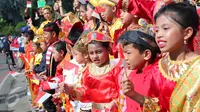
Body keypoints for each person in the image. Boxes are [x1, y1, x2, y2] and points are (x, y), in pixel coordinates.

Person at [121, 3, 200, 112]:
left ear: (187, 33)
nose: (159, 35)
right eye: (157, 30)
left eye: (165, 28)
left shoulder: (197, 68)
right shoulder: (159, 67)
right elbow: (157, 106)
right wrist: (133, 94)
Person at [66, 31, 123, 111]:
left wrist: (115, 102)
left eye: (99, 52)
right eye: (91, 53)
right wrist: (73, 92)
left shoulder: (116, 69)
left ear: (108, 50)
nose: (95, 56)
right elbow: (85, 90)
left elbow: (122, 92)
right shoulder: (87, 70)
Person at [119, 30, 160, 112]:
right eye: (124, 53)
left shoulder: (157, 75)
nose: (125, 58)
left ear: (146, 54)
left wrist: (134, 95)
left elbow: (159, 107)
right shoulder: (132, 74)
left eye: (128, 53)